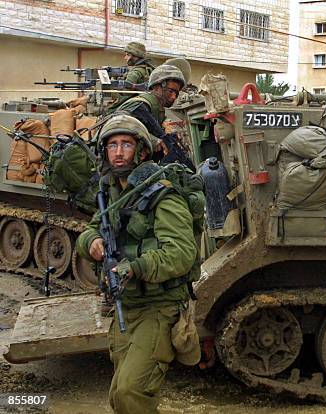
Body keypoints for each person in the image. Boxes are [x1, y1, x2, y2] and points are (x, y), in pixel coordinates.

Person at [75, 114, 198, 413]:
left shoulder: (162, 196)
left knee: (132, 394)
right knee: (119, 396)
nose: (118, 152)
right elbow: (91, 229)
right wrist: (91, 242)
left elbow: (182, 253)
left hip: (159, 309)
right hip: (126, 308)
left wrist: (136, 267)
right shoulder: (113, 193)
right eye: (112, 145)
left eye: (126, 145)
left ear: (142, 151)